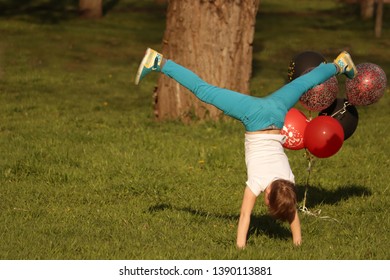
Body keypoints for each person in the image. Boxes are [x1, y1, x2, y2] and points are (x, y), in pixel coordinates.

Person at [134, 48, 357, 248]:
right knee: (205, 92)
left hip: (276, 112)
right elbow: (244, 216)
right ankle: (159, 62)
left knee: (302, 84)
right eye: (269, 204)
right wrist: (240, 247)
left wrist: (298, 241)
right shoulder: (258, 182)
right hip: (254, 116)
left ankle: (340, 64)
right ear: (268, 195)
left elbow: (291, 210)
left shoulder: (288, 180)